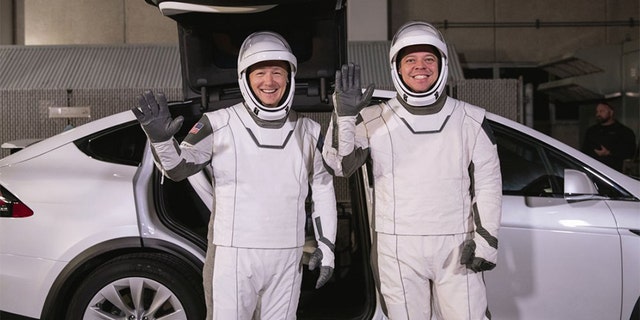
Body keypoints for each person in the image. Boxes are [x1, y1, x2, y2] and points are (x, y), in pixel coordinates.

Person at [132, 31, 337, 320]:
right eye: (260, 73)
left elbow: (324, 188)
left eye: (277, 72)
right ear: (245, 78)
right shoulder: (217, 124)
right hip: (233, 256)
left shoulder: (310, 132)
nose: (269, 82)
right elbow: (178, 170)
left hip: (287, 255)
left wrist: (327, 245)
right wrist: (161, 142)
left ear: (290, 77)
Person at [322, 21, 502, 319]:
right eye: (411, 60)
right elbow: (340, 165)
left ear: (442, 64)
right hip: (396, 247)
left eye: (429, 59)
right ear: (397, 67)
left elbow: (488, 185)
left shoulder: (471, 120)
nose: (421, 67)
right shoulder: (372, 118)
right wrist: (344, 117)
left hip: (457, 244)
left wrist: (486, 242)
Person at [581, 101, 637, 172]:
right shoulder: (591, 131)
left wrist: (609, 153)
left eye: (601, 111)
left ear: (611, 112)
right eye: (597, 111)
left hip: (613, 173)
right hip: (593, 172)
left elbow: (630, 152)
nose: (598, 114)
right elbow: (584, 151)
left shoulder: (624, 132)